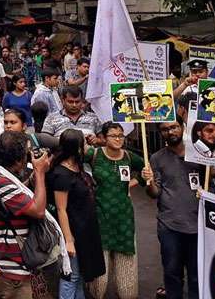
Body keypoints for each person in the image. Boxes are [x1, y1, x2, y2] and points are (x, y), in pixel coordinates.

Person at [0, 131, 53, 299]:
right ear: (19, 160)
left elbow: (15, 197)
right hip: (11, 272)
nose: (29, 156)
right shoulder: (2, 182)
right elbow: (38, 210)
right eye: (26, 153)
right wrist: (40, 172)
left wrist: (33, 178)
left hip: (4, 264)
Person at [142, 119, 204, 299]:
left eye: (174, 127)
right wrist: (150, 180)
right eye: (164, 129)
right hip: (170, 227)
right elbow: (154, 193)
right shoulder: (156, 158)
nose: (170, 132)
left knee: (196, 275)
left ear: (182, 127)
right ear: (160, 133)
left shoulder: (199, 155)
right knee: (172, 274)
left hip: (198, 225)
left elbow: (213, 180)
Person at [86, 122, 145, 299]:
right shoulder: (94, 154)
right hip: (99, 217)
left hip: (124, 219)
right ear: (103, 138)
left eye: (121, 135)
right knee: (99, 280)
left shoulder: (129, 156)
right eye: (113, 135)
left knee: (127, 280)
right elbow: (71, 165)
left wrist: (134, 183)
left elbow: (146, 170)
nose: (118, 139)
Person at [47, 129, 105, 299]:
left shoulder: (76, 167)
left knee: (80, 276)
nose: (87, 147)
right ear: (77, 148)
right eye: (84, 144)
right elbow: (61, 209)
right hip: (73, 232)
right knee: (70, 276)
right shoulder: (61, 175)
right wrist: (69, 240)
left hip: (85, 231)